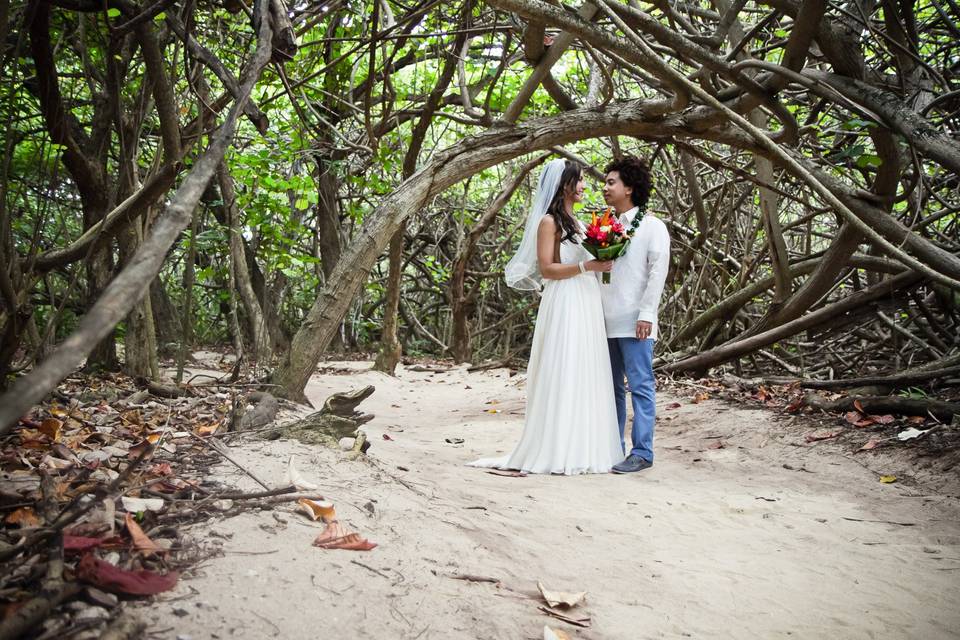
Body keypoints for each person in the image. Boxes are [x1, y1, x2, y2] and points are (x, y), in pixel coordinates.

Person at [469, 158, 622, 475]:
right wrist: (587, 267)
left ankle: (586, 445)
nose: (584, 186)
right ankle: (558, 446)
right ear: (565, 184)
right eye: (579, 180)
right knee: (564, 365)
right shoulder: (549, 223)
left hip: (587, 299)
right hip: (565, 299)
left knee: (586, 368)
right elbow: (547, 269)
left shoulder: (579, 223)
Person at [600, 156, 670, 474]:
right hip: (605, 319)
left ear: (629, 188)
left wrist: (647, 314)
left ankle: (642, 451)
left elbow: (657, 273)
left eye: (611, 182)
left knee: (640, 385)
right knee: (611, 387)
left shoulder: (652, 227)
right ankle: (614, 445)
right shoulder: (604, 226)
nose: (605, 188)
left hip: (636, 321)